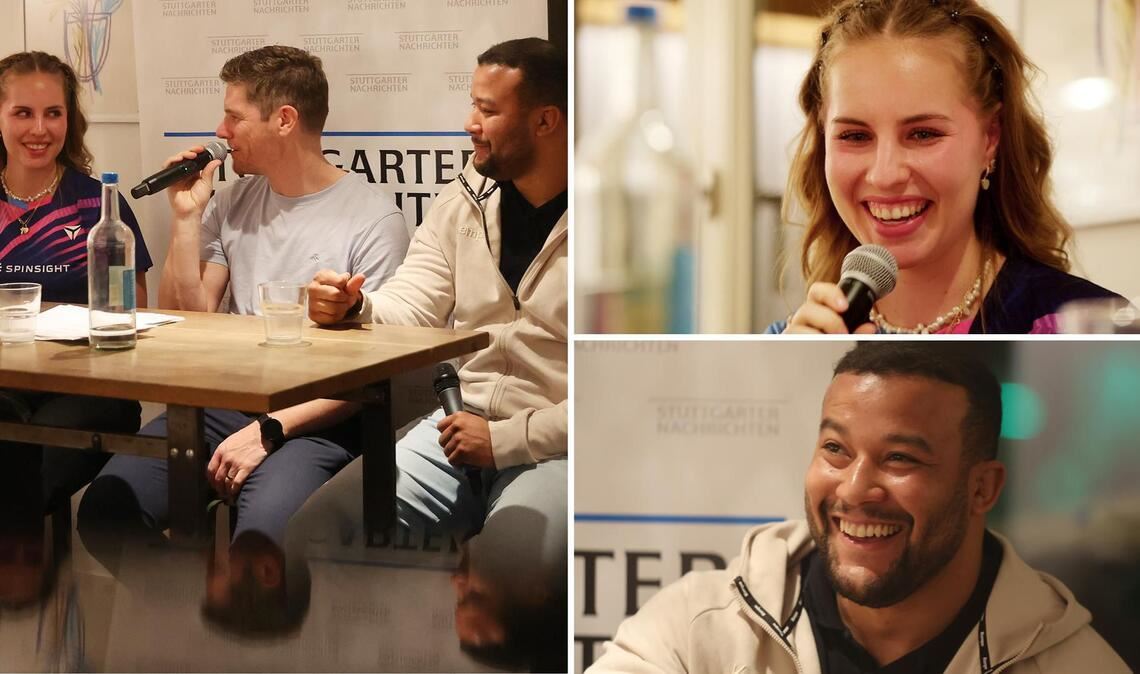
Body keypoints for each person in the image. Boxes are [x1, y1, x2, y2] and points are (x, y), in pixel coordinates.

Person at [587, 342, 1130, 673]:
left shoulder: (1075, 665)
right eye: (835, 450)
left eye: (900, 458)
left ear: (982, 489)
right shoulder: (695, 627)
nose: (853, 489)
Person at [77, 45, 410, 546]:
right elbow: (187, 319)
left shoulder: (372, 219)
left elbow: (376, 369)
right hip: (221, 405)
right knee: (107, 511)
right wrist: (186, 220)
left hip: (313, 416)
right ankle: (184, 617)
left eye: (234, 116)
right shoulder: (230, 203)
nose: (220, 132)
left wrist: (269, 430)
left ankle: (251, 610)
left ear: (284, 119)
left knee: (263, 536)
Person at [300, 37, 567, 545]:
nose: (470, 123)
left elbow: (614, 397)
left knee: (511, 569)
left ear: (546, 121)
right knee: (322, 530)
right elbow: (415, 302)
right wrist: (357, 306)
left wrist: (506, 440)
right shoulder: (467, 195)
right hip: (458, 429)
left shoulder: (618, 225)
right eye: (473, 104)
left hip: (559, 446)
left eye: (487, 110)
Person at [770, 0, 1124, 334]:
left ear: (990, 138)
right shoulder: (786, 348)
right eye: (855, 136)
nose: (885, 174)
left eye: (923, 134)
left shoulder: (1078, 332)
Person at [0, 50, 152, 509]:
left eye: (54, 113)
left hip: (91, 386)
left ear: (71, 120)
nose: (39, 130)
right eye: (22, 113)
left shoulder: (98, 205)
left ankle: (31, 578)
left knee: (29, 464)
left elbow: (135, 311)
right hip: (7, 380)